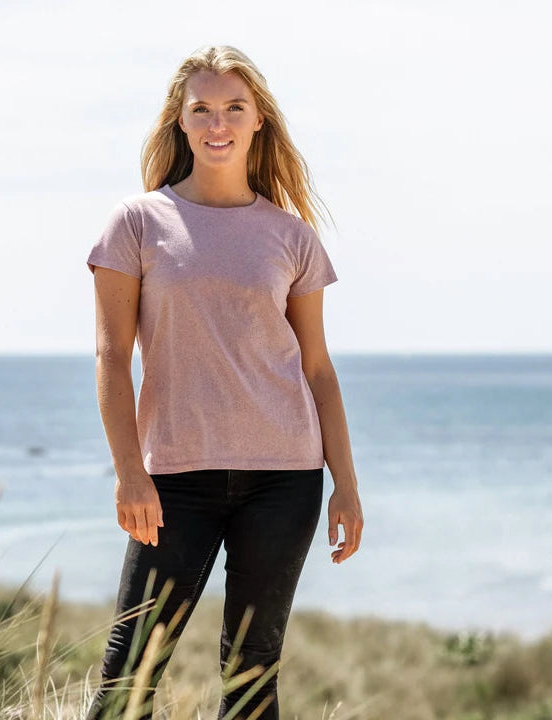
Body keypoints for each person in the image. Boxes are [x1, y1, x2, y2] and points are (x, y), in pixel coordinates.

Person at [84, 45, 363, 720]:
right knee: (127, 681)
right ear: (180, 122)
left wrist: (346, 486)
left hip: (285, 479)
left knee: (250, 680)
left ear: (258, 120)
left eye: (234, 107)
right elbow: (112, 355)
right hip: (175, 478)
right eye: (202, 108)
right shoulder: (138, 223)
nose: (218, 123)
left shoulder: (291, 237)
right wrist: (129, 472)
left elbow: (317, 368)